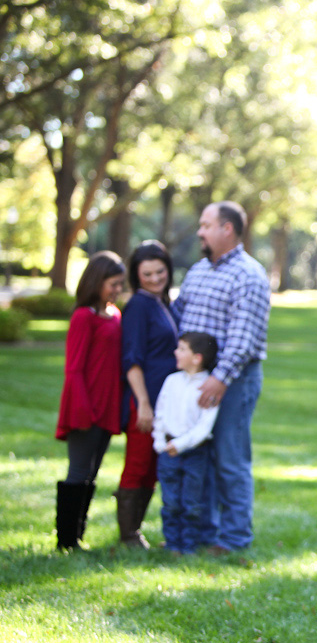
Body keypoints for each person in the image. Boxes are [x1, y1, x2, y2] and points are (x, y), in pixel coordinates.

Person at [172, 200, 271, 555]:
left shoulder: (249, 274)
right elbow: (180, 318)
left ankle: (234, 538)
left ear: (226, 229)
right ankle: (203, 531)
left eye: (205, 224)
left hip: (234, 380)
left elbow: (244, 337)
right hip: (196, 380)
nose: (199, 231)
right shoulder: (198, 270)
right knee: (200, 456)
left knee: (230, 458)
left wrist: (221, 378)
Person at [55, 250, 126, 551]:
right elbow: (74, 368)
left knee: (92, 473)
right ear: (97, 281)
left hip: (108, 405)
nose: (117, 289)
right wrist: (82, 409)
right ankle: (66, 541)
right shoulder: (83, 317)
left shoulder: (114, 314)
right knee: (78, 471)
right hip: (86, 407)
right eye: (113, 283)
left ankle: (77, 535)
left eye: (120, 284)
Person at [115, 240, 180, 548]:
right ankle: (128, 535)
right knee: (138, 465)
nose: (155, 279)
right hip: (145, 401)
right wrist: (142, 403)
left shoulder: (161, 302)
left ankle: (135, 532)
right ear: (136, 276)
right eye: (147, 274)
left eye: (160, 271)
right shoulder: (139, 306)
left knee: (152, 469)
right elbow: (132, 359)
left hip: (164, 403)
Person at [152, 332, 220, 556]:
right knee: (170, 501)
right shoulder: (172, 381)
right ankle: (173, 544)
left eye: (181, 349)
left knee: (191, 503)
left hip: (194, 453)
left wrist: (180, 445)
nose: (175, 352)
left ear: (197, 357)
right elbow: (160, 413)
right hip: (167, 451)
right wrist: (160, 441)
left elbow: (204, 427)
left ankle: (189, 546)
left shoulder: (208, 387)